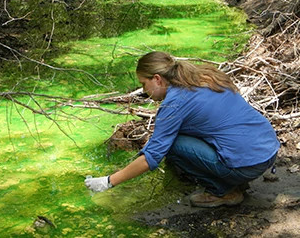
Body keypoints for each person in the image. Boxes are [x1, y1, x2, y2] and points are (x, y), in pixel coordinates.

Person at [84, 51, 280, 208]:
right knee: (180, 137)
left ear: (158, 79)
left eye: (144, 84)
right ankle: (236, 179)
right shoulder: (204, 77)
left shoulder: (174, 104)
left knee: (171, 145)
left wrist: (108, 182)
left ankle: (224, 191)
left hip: (248, 164)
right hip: (268, 150)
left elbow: (151, 157)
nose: (144, 91)